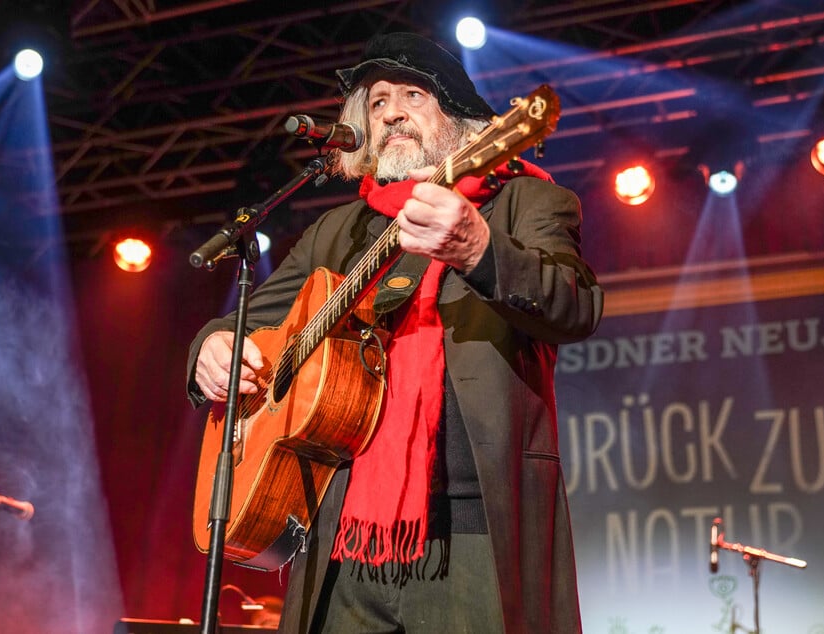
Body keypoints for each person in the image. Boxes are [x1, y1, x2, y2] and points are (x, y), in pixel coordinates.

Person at [187, 32, 603, 633]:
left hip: (474, 528)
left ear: (462, 120)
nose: (392, 113)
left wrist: (480, 251)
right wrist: (211, 348)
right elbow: (249, 319)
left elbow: (576, 305)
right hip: (336, 532)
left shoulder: (526, 202)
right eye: (377, 102)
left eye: (413, 94)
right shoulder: (337, 230)